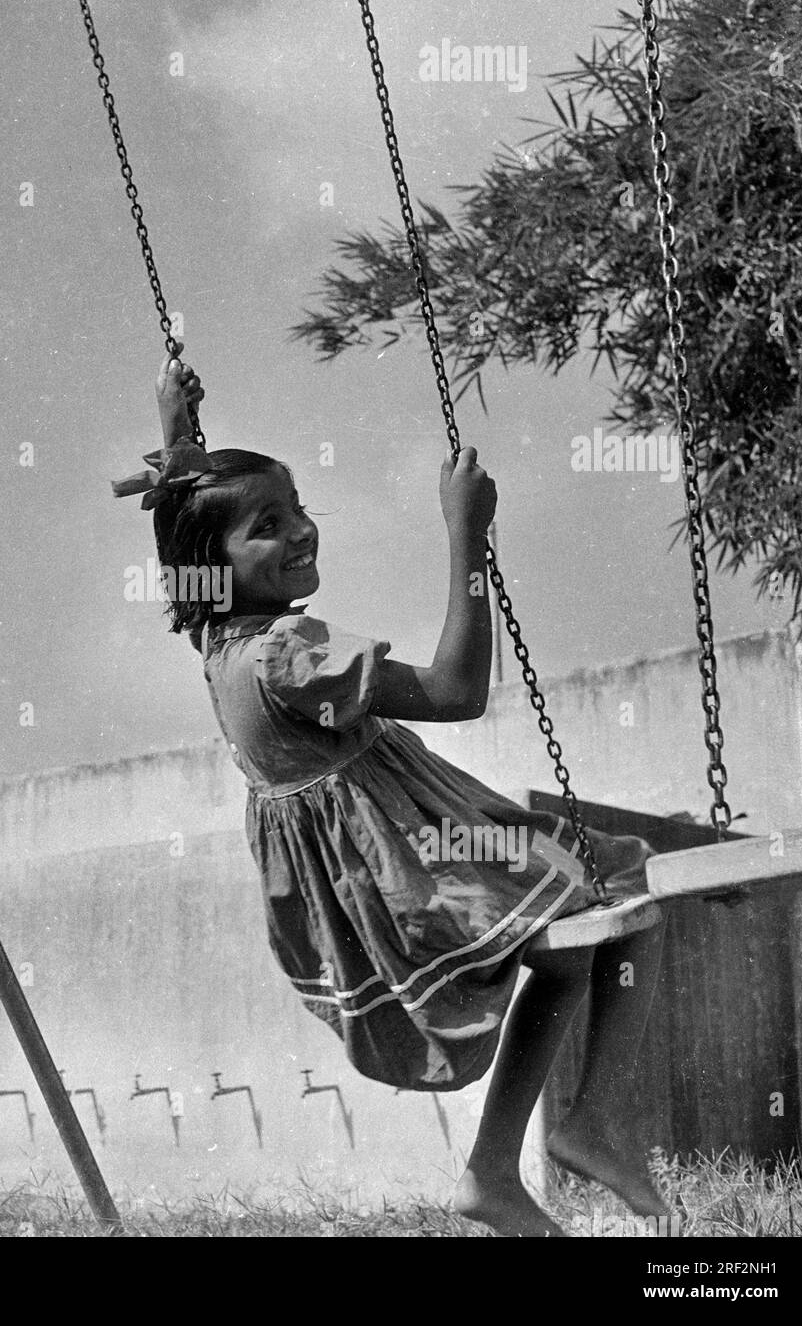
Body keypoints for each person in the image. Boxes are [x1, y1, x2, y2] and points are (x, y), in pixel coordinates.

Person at [112, 344, 671, 1237]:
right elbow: (457, 690)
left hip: (387, 862)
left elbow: (183, 544)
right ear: (217, 566)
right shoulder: (290, 657)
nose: (299, 529)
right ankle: (588, 1121)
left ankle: (503, 1169)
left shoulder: (220, 646)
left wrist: (175, 430)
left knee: (575, 931)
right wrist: (466, 536)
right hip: (411, 860)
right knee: (620, 884)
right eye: (266, 524)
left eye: (296, 507)